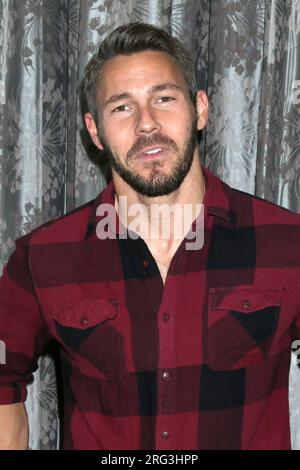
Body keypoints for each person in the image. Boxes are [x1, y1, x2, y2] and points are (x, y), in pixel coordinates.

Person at [0, 22, 299, 451]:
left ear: (199, 109)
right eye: (122, 107)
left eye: (163, 98)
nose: (146, 124)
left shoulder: (287, 244)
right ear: (95, 130)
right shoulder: (44, 258)